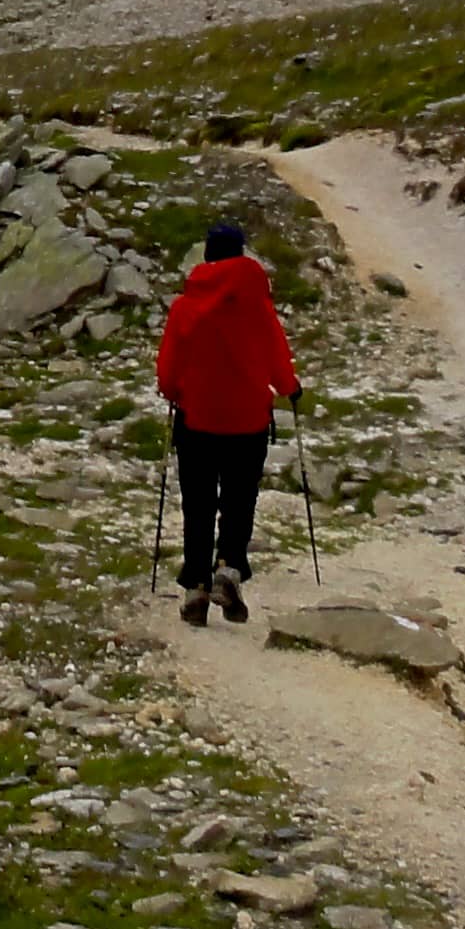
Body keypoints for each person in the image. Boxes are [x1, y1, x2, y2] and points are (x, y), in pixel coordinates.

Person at [155, 219, 296, 625]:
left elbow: (167, 374)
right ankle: (229, 568)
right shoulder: (259, 305)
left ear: (206, 256)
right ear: (241, 253)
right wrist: (291, 387)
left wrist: (174, 390)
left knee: (198, 504)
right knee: (239, 500)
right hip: (249, 421)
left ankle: (195, 590)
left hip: (197, 419)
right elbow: (277, 359)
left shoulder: (185, 306)